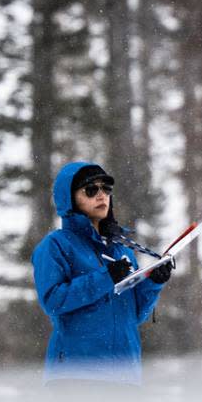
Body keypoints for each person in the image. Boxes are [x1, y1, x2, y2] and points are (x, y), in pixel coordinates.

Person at [31, 161, 173, 386]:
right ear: (69, 198)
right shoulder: (55, 245)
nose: (101, 196)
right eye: (91, 190)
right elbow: (54, 301)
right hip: (76, 376)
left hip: (126, 374)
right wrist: (106, 278)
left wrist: (153, 283)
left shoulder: (122, 249)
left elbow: (134, 314)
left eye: (106, 189)